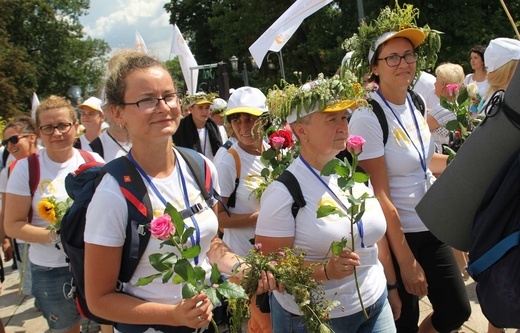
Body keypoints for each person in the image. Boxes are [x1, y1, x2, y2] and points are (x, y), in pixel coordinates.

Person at [83, 50, 276, 333]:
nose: (163, 107)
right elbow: (98, 300)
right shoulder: (113, 193)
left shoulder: (200, 167)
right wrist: (173, 315)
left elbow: (210, 244)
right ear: (117, 112)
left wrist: (242, 267)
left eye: (169, 96)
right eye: (147, 100)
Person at [347, 13, 471, 333]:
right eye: (392, 57)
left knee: (456, 310)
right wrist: (405, 262)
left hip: (431, 223)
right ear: (375, 67)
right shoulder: (367, 114)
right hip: (397, 235)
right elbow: (380, 194)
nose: (404, 63)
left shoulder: (416, 101)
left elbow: (422, 161)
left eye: (408, 55)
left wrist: (468, 160)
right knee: (403, 321)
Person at [256, 76, 399, 333]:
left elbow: (373, 240)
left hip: (374, 303)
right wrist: (325, 270)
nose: (343, 126)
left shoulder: (350, 174)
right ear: (301, 130)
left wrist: (391, 287)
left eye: (344, 117)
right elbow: (272, 267)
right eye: (331, 119)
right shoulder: (283, 192)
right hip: (315, 318)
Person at [4, 96, 104, 333]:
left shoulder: (94, 162)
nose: (57, 133)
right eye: (48, 128)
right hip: (50, 268)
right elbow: (13, 225)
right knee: (67, 328)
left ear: (75, 126)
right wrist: (58, 235)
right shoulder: (25, 169)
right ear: (38, 132)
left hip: (92, 262)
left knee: (106, 323)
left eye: (62, 125)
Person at [214, 86, 272, 333]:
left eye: (250, 118)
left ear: (265, 120)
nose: (243, 126)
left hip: (273, 256)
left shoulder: (274, 151)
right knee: (264, 325)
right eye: (236, 119)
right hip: (243, 262)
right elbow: (218, 219)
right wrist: (262, 217)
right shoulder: (228, 160)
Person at [0, 116, 39, 305]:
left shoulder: (51, 161)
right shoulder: (8, 171)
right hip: (26, 241)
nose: (10, 146)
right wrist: (5, 239)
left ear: (31, 137)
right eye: (6, 142)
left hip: (60, 238)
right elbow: (5, 210)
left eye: (14, 139)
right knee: (40, 293)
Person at [172, 92, 223, 161]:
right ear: (191, 109)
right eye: (200, 108)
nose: (204, 111)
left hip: (212, 167)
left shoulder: (214, 126)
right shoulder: (181, 128)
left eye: (207, 108)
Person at [427, 62, 465, 151]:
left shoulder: (441, 111)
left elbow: (419, 131)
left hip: (438, 158)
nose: (434, 84)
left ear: (443, 84)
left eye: (436, 80)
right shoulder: (458, 107)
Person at [463, 45, 490, 112]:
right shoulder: (468, 78)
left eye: (475, 58)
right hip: (468, 118)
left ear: (483, 60)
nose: (472, 61)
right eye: (471, 58)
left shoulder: (490, 80)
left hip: (483, 116)